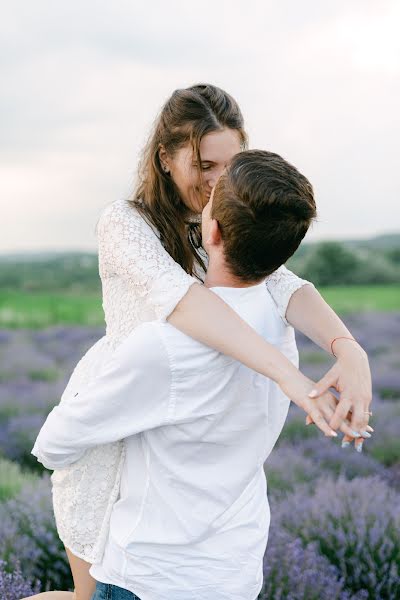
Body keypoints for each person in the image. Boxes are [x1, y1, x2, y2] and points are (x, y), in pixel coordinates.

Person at [28, 84, 372, 600]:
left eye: (229, 166)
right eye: (205, 165)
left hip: (175, 425)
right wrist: (289, 375)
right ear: (166, 157)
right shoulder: (125, 222)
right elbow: (185, 302)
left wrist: (349, 348)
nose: (216, 183)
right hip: (115, 420)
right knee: (89, 592)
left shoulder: (217, 222)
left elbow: (285, 283)